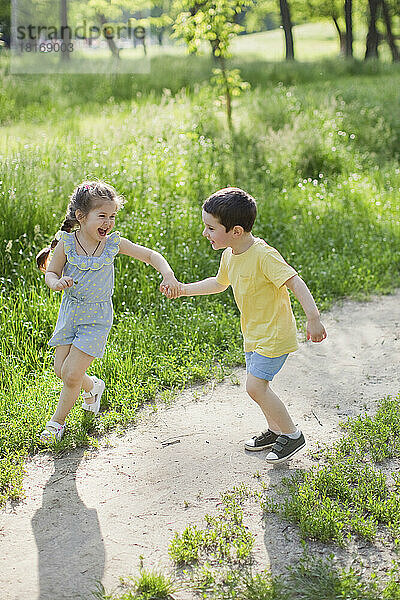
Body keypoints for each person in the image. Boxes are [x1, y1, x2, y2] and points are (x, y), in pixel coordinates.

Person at [163, 187, 327, 464]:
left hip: (274, 334)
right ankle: (276, 431)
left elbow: (295, 282)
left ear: (236, 231)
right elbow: (219, 283)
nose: (205, 233)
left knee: (255, 387)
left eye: (210, 228)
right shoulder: (230, 253)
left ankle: (292, 434)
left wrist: (313, 317)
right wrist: (183, 290)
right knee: (257, 386)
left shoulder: (264, 255)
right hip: (253, 333)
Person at [37, 181, 180, 444]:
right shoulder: (66, 243)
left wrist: (168, 274)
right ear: (81, 217)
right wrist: (56, 283)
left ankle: (56, 423)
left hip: (96, 318)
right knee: (62, 370)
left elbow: (151, 256)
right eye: (102, 216)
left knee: (71, 375)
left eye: (112, 216)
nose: (109, 222)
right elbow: (52, 272)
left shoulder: (113, 244)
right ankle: (93, 388)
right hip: (70, 314)